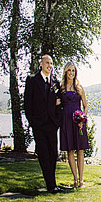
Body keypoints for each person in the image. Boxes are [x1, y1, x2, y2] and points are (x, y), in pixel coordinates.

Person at [23, 54, 65, 193]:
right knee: (43, 153)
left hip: (52, 124)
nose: (49, 65)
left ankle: (52, 183)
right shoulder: (32, 80)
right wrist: (33, 121)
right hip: (39, 124)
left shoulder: (55, 82)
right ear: (41, 64)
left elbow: (59, 102)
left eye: (51, 63)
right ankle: (51, 185)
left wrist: (57, 120)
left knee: (53, 153)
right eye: (47, 63)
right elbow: (27, 103)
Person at [59, 63, 89, 188]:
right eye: (69, 70)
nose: (71, 72)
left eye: (73, 70)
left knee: (80, 150)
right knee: (70, 150)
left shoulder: (79, 87)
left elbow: (85, 106)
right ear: (65, 72)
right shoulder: (61, 88)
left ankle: (81, 179)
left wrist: (82, 118)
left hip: (78, 123)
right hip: (66, 121)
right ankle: (75, 179)